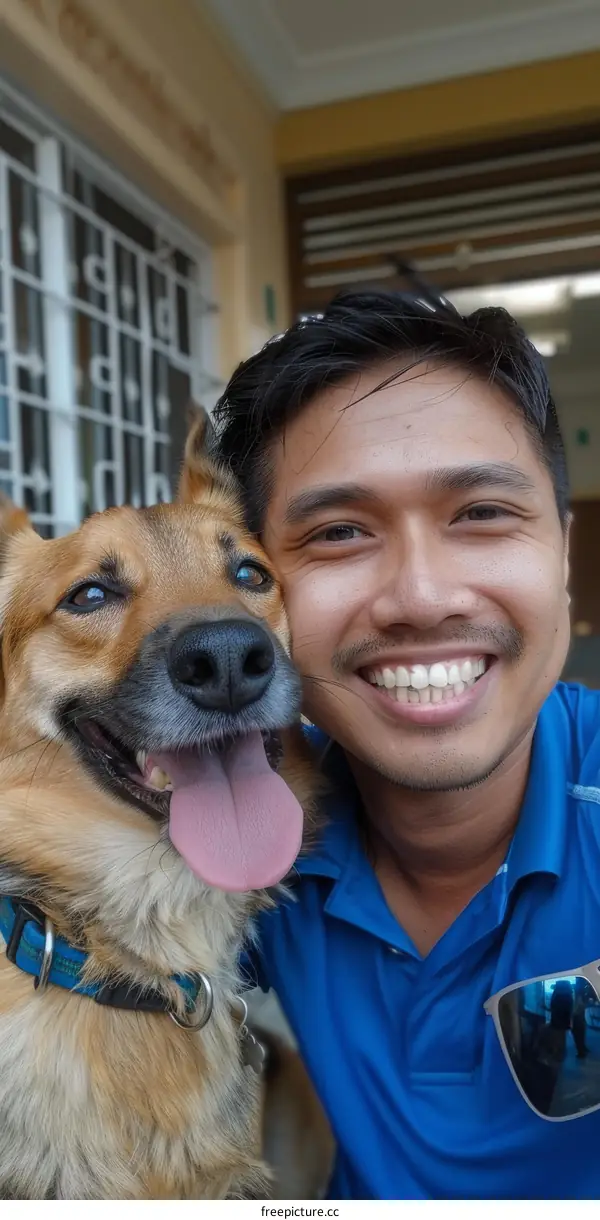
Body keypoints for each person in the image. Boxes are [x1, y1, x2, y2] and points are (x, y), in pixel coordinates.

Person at [213, 290, 600, 1199]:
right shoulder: (241, 832)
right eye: (339, 532)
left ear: (565, 557)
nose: (422, 598)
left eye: (482, 515)